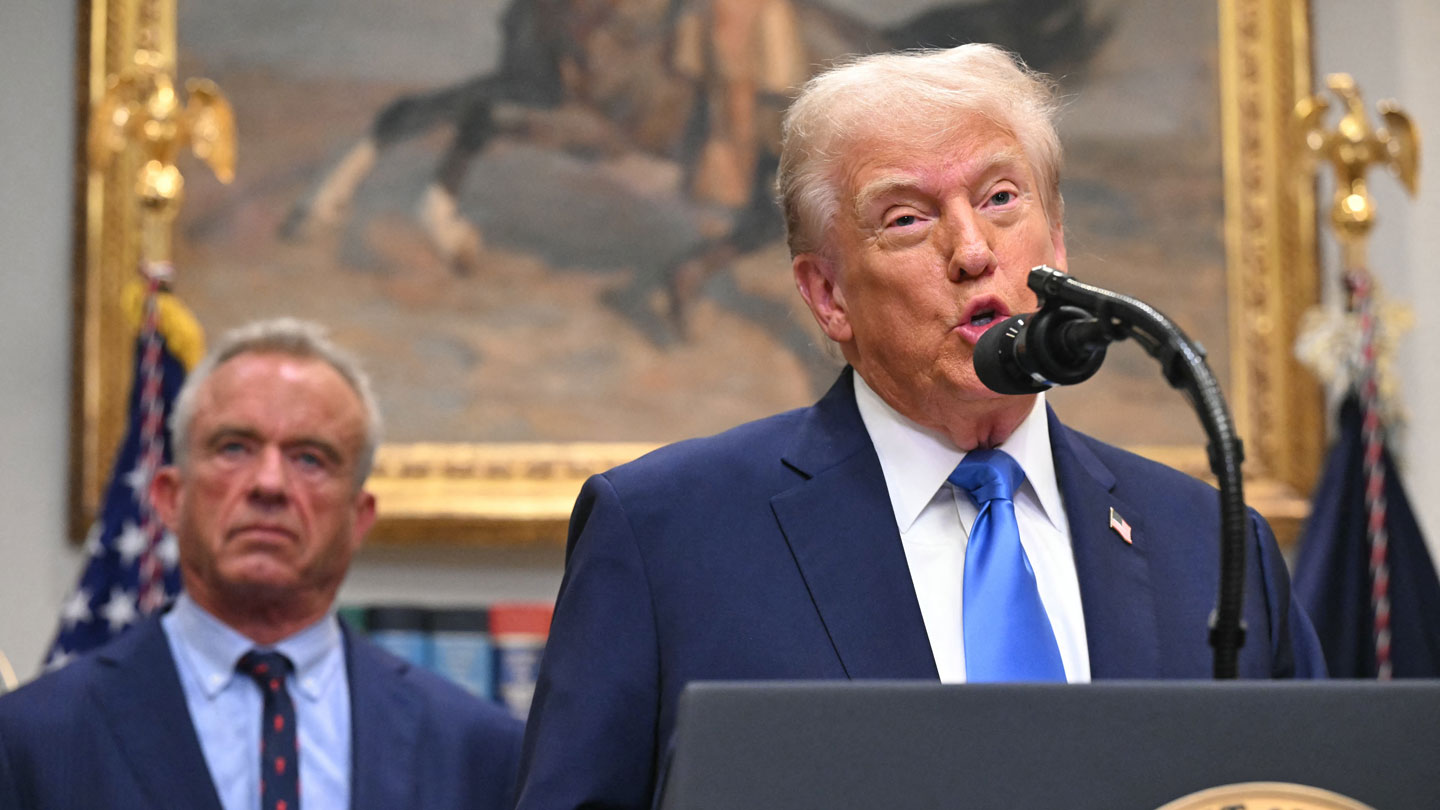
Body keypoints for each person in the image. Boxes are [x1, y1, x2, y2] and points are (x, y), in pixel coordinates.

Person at [513, 44, 1327, 809]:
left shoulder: (1209, 544)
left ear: (1059, 242)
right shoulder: (668, 536)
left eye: (1003, 199)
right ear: (827, 294)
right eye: (906, 219)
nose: (973, 251)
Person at [0, 318, 523, 810]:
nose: (269, 484)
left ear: (359, 517)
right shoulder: (35, 738)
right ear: (168, 499)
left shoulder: (478, 750)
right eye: (234, 448)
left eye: (309, 458)